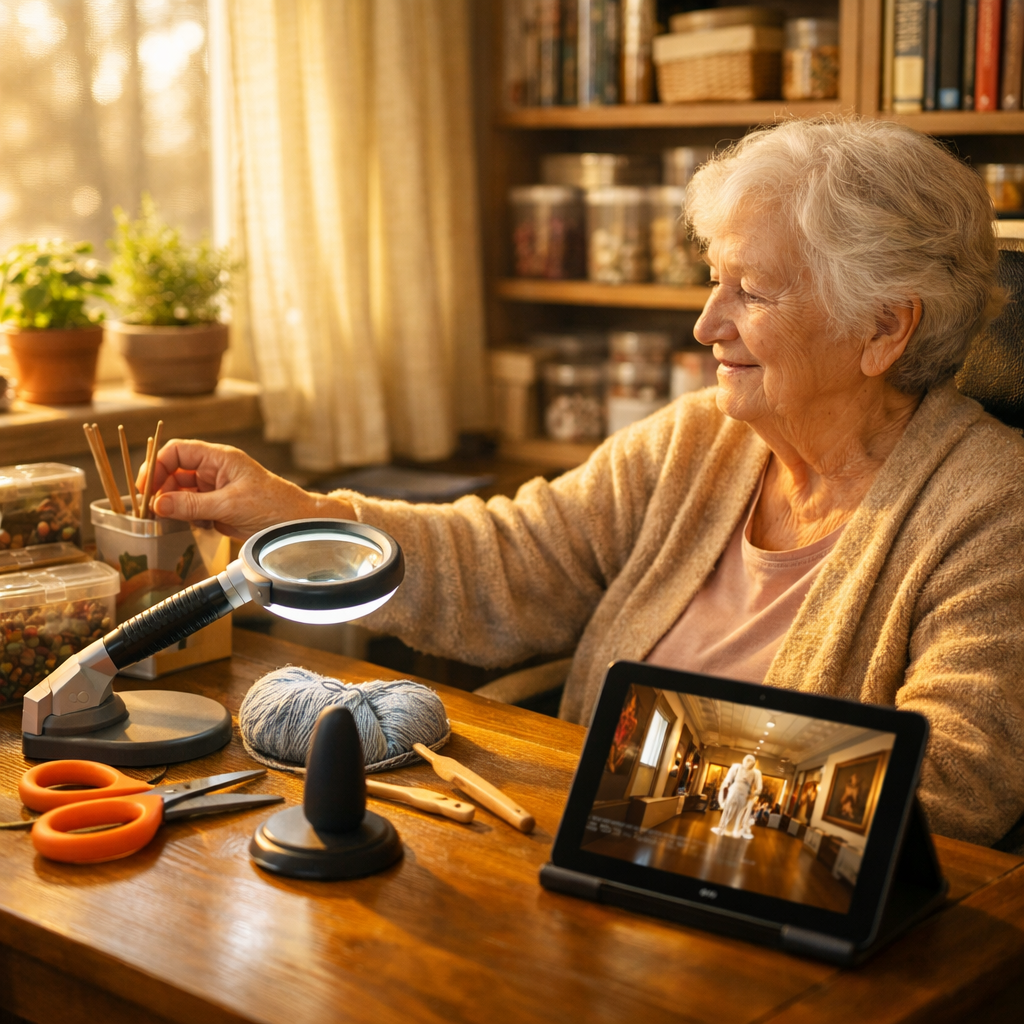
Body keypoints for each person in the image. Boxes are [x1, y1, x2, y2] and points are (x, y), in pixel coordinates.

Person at [145, 117, 1024, 848]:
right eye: (714, 281)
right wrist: (302, 519)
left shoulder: (993, 506)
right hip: (587, 860)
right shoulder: (696, 443)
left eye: (750, 291)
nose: (705, 323)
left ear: (883, 326)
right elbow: (514, 557)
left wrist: (649, 781)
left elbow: (951, 788)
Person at [711, 755, 762, 840]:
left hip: (745, 793)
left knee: (739, 813)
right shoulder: (737, 767)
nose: (748, 763)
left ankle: (735, 830)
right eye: (747, 761)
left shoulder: (756, 773)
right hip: (734, 790)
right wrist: (726, 784)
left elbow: (759, 787)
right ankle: (721, 828)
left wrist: (754, 794)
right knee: (727, 810)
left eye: (750, 762)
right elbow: (728, 778)